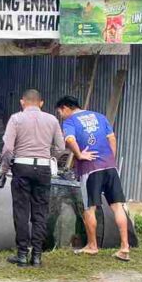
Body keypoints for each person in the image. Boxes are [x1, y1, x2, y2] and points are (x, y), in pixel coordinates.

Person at [55, 95, 131, 262]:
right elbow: (112, 138)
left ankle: (92, 245)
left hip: (91, 169)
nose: (61, 115)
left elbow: (69, 139)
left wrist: (79, 154)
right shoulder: (100, 116)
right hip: (110, 166)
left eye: (60, 112)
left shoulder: (70, 121)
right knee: (117, 206)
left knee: (90, 207)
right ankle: (125, 247)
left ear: (66, 108)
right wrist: (111, 158)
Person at [0, 89, 65, 267]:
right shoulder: (52, 120)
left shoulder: (16, 119)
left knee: (21, 212)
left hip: (21, 166)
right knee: (40, 212)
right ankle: (36, 256)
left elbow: (7, 150)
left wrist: (4, 170)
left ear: (22, 102)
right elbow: (60, 147)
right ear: (41, 103)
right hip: (43, 168)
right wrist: (49, 158)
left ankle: (22, 255)